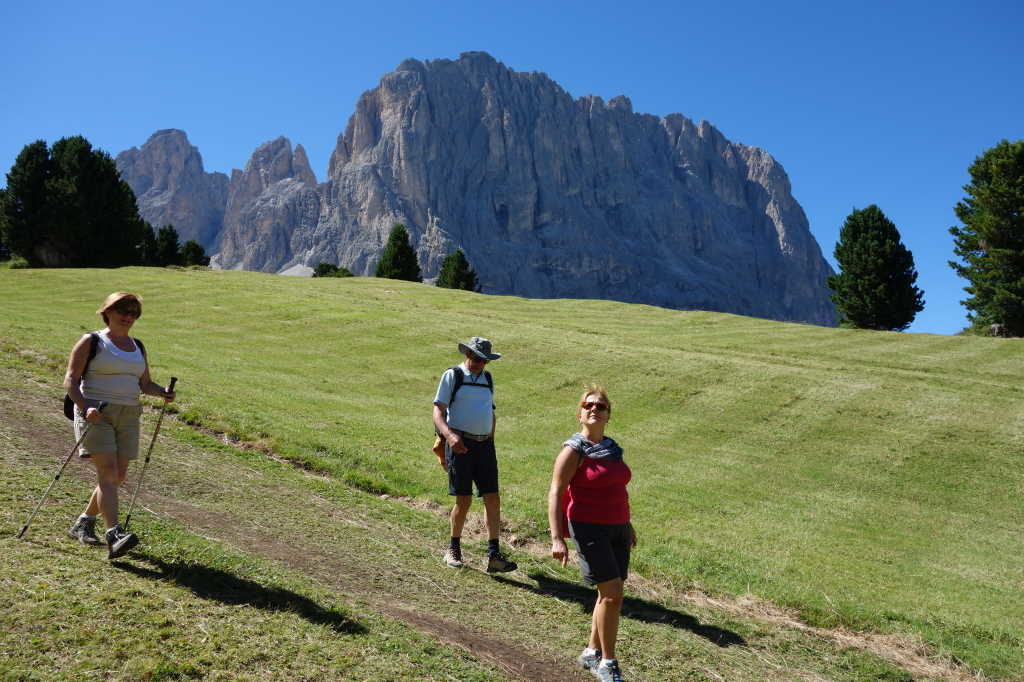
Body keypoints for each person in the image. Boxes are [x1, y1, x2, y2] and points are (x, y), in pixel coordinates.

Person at [64, 292, 175, 560]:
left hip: (129, 414)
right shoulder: (91, 341)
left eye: (133, 313)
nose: (128, 317)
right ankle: (114, 534)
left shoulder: (137, 345)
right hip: (96, 413)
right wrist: (84, 406)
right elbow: (70, 379)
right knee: (109, 472)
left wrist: (162, 392)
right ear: (108, 312)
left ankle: (84, 521)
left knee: (118, 476)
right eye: (122, 310)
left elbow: (144, 384)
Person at [548, 386, 635, 682]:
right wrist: (557, 537)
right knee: (612, 594)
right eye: (589, 405)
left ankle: (590, 652)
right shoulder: (574, 450)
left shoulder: (613, 448)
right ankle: (608, 663)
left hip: (618, 527)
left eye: (601, 406)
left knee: (609, 594)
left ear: (609, 415)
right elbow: (556, 492)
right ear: (580, 412)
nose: (595, 409)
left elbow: (618, 488)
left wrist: (628, 525)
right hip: (588, 527)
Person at [432, 337, 517, 573]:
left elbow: (490, 411)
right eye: (477, 358)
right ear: (468, 354)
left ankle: (493, 556)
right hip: (460, 443)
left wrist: (490, 435)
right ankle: (453, 549)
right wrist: (450, 437)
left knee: (492, 497)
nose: (481, 364)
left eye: (485, 360)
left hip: (485, 446)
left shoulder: (487, 379)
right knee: (464, 499)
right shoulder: (453, 375)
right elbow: (438, 412)